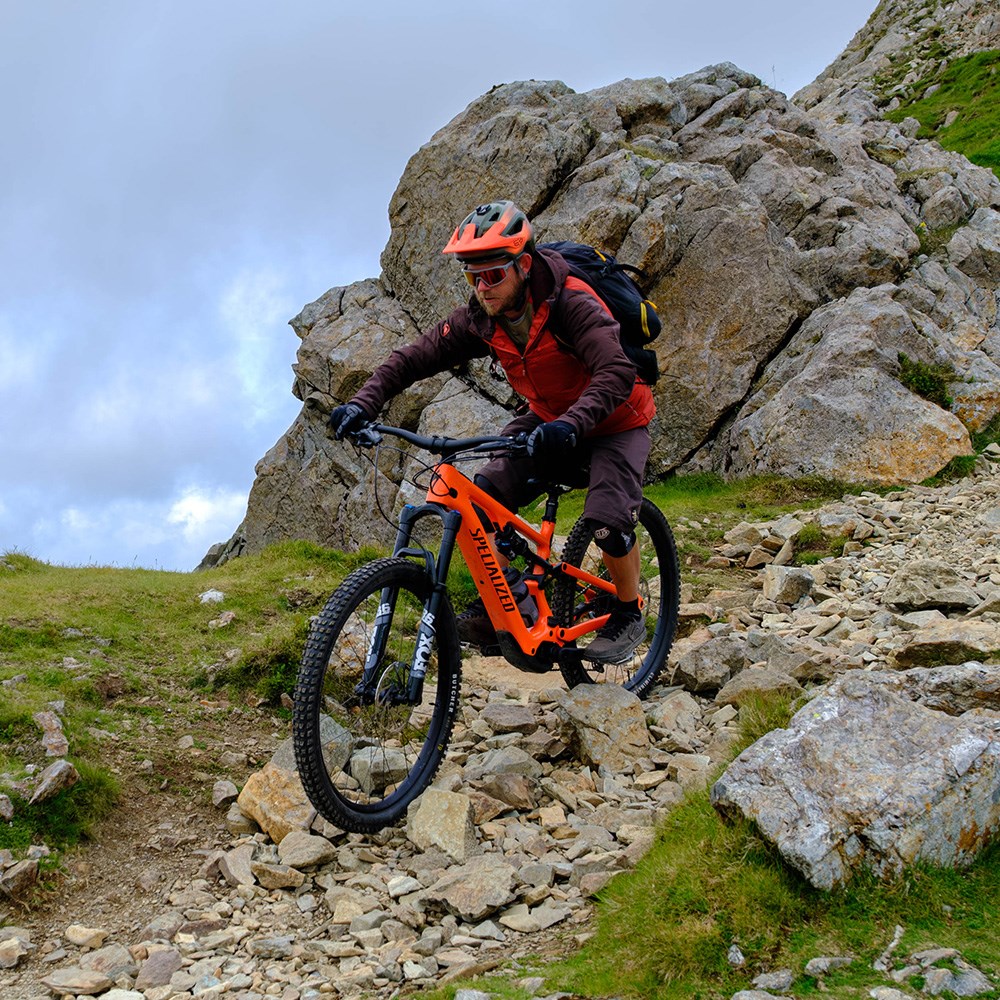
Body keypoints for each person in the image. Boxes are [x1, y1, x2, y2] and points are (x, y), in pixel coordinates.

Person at [329, 200, 656, 664]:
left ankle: (626, 611)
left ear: (523, 265)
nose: (482, 288)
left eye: (493, 275)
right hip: (549, 417)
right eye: (471, 276)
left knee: (607, 520)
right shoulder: (481, 319)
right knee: (480, 502)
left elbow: (615, 371)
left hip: (616, 419)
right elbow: (413, 358)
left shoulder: (572, 302)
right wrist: (362, 404)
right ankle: (513, 607)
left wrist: (571, 424)